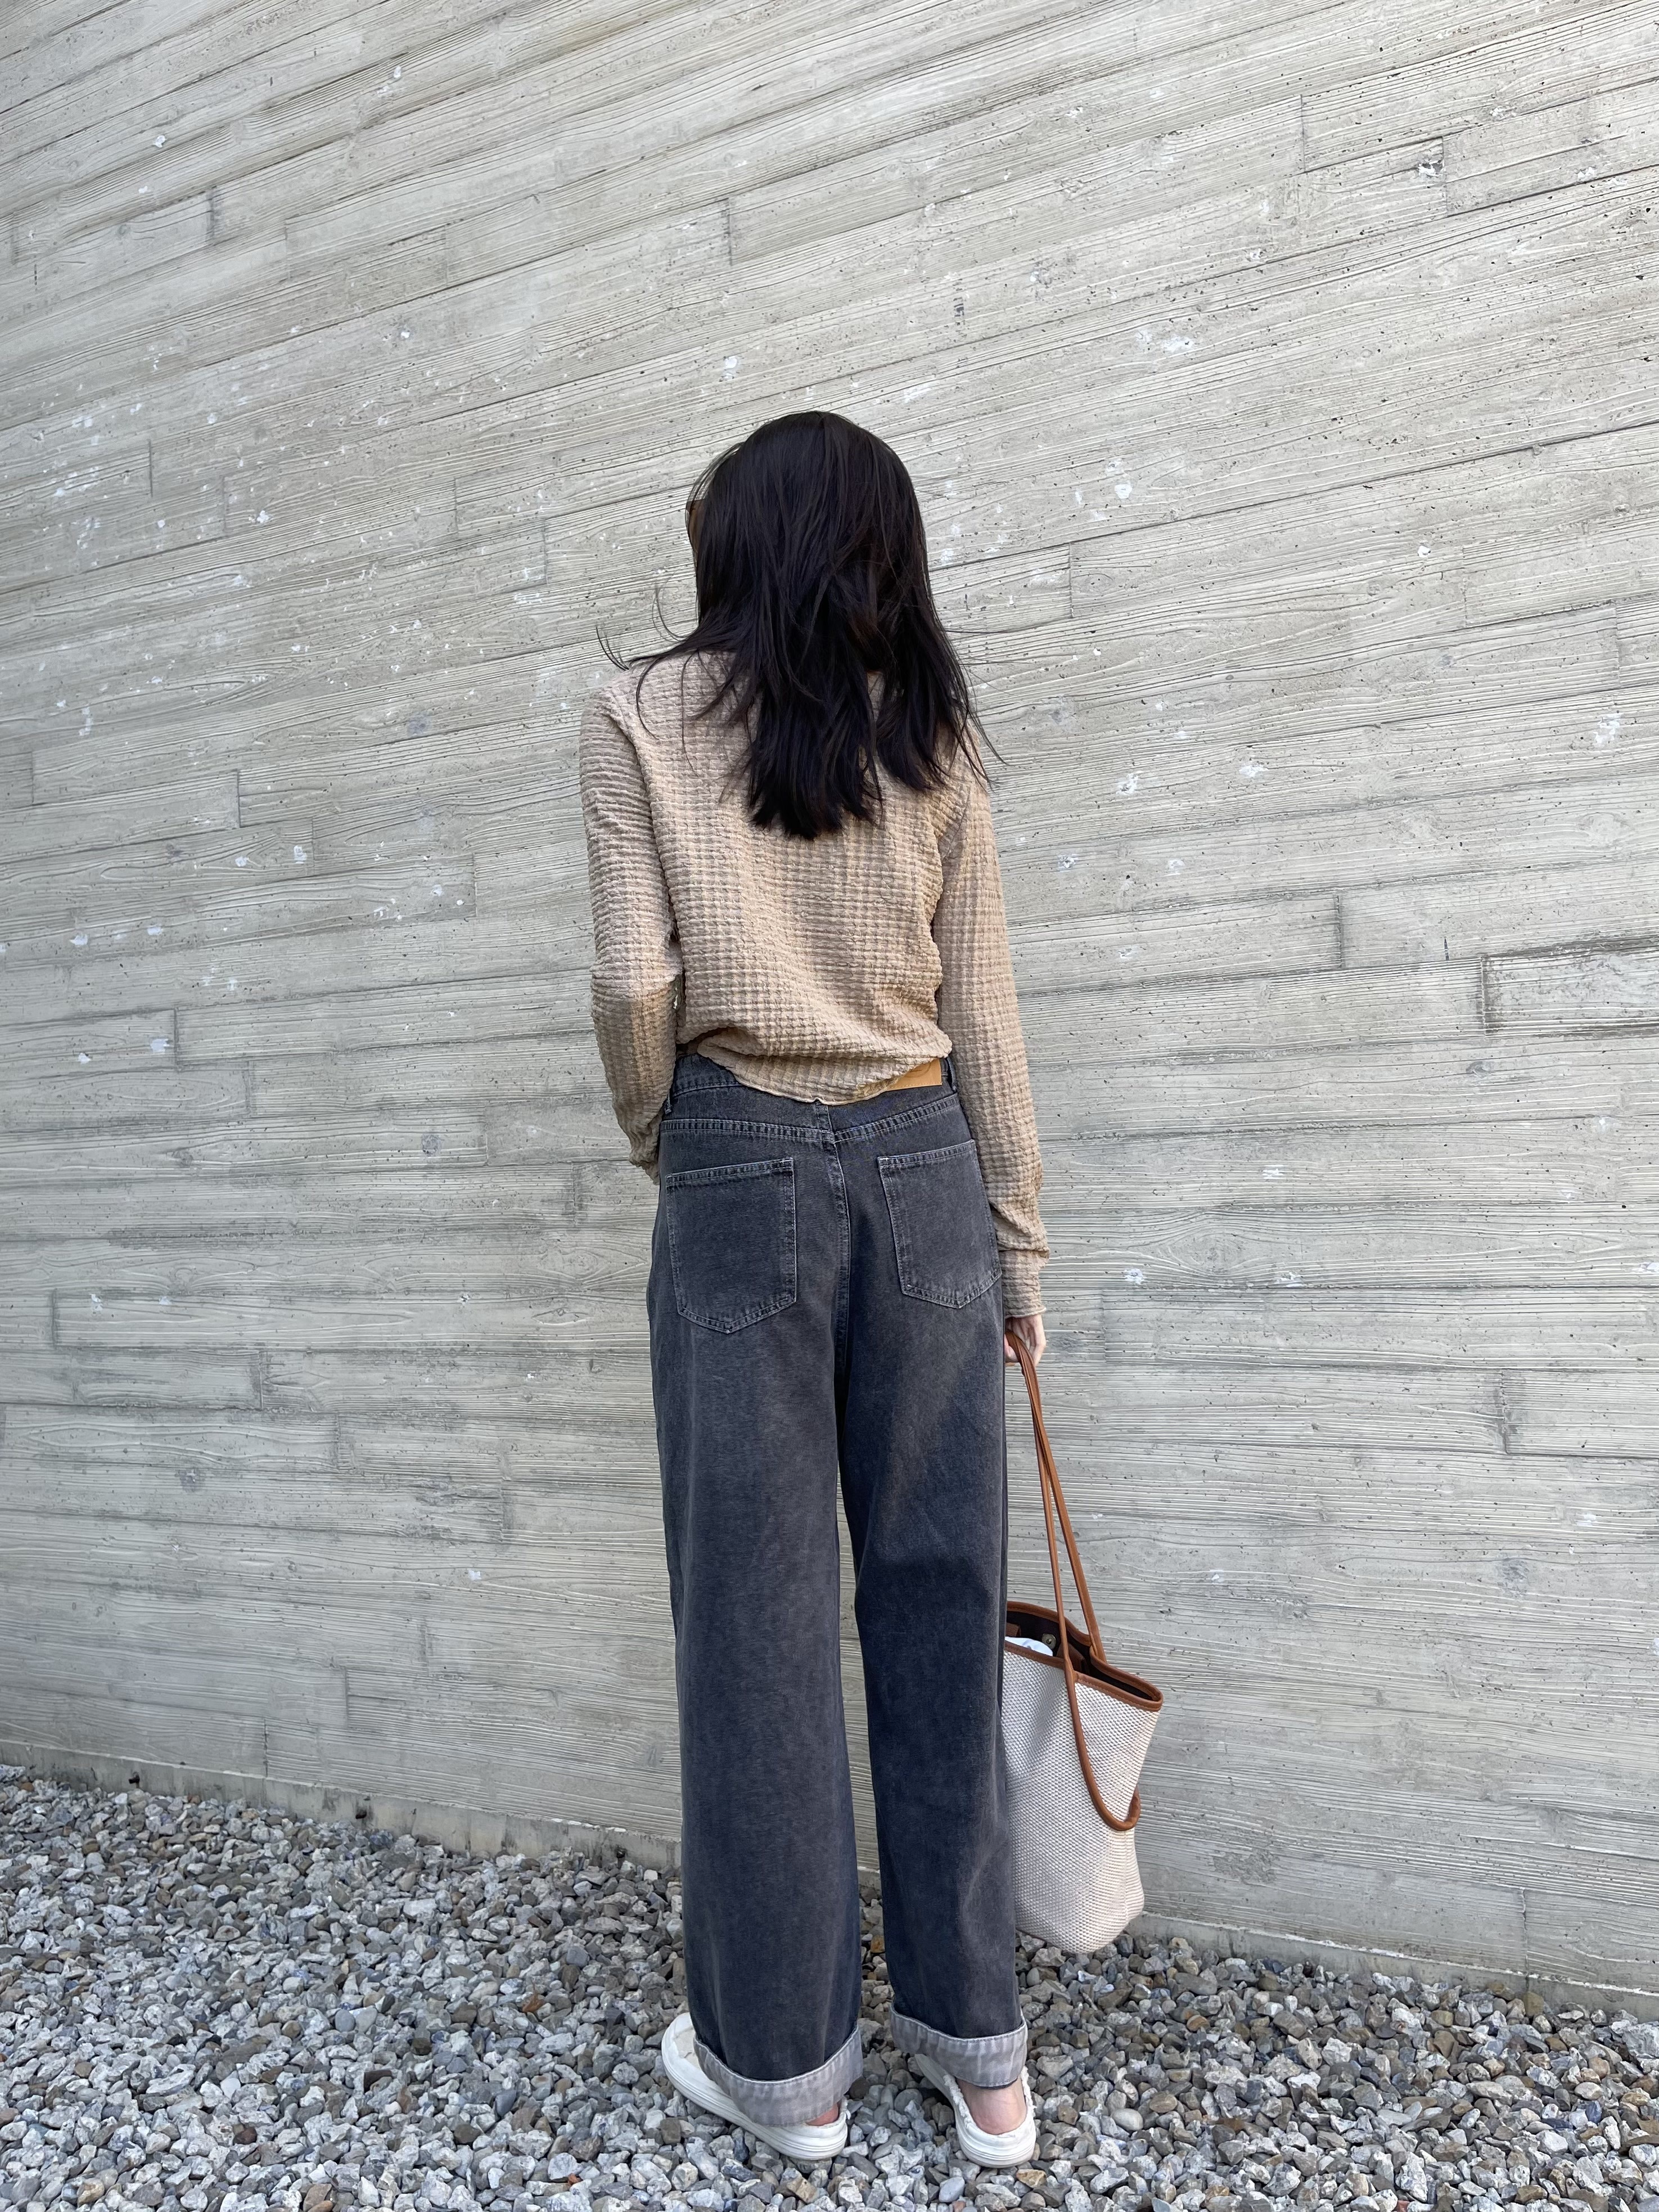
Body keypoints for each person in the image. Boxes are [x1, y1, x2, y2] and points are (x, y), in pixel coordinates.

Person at [578, 411, 1050, 2173]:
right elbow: (984, 1008)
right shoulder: (931, 731)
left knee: (757, 1626)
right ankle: (985, 2066)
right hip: (928, 1160)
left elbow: (635, 987)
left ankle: (791, 2078)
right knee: (943, 1597)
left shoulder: (638, 716)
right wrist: (1017, 1245)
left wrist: (672, 1134)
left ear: (746, 542)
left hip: (740, 1156)